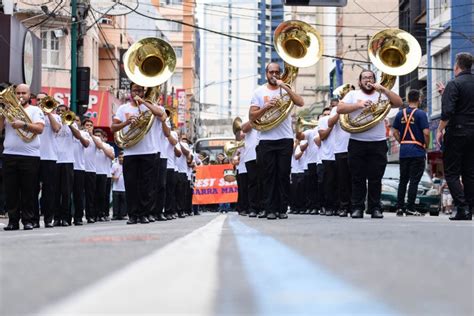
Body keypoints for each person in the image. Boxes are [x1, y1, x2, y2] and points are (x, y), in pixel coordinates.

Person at [337, 69, 403, 219]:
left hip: (378, 142)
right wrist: (358, 105)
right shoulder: (353, 95)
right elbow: (340, 108)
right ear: (359, 82)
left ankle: (375, 208)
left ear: (374, 80)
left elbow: (399, 103)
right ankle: (357, 208)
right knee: (357, 177)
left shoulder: (381, 95)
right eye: (364, 78)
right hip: (357, 142)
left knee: (375, 178)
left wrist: (384, 89)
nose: (368, 80)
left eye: (370, 77)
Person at [249, 62, 304, 220]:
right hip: (266, 139)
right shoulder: (259, 92)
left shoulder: (285, 90)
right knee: (268, 176)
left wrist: (285, 87)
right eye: (271, 72)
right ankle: (270, 209)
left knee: (283, 175)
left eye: (276, 72)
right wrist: (266, 107)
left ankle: (282, 208)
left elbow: (300, 102)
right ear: (266, 74)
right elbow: (252, 117)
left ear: (280, 73)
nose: (274, 75)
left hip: (285, 138)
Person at [111, 82, 163, 224]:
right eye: (134, 91)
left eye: (140, 91)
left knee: (147, 186)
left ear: (144, 92)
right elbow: (113, 128)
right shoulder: (123, 108)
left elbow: (161, 114)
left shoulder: (151, 106)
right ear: (130, 92)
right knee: (131, 185)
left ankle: (144, 214)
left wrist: (145, 104)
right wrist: (126, 123)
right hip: (130, 152)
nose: (137, 93)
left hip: (149, 151)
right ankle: (133, 215)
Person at [1, 84, 45, 230]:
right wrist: (2, 115)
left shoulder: (35, 110)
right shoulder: (9, 110)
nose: (20, 96)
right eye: (18, 93)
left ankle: (28, 220)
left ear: (29, 95)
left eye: (23, 93)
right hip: (9, 154)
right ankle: (13, 221)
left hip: (30, 155)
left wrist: (24, 125)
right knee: (11, 190)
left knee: (29, 190)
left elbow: (39, 129)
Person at [436, 52, 474, 221]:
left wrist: (439, 130)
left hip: (457, 132)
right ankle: (470, 209)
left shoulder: (454, 83)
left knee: (451, 173)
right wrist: (446, 93)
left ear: (457, 66)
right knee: (470, 173)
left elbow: (448, 112)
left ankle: (462, 207)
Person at [392, 89, 430, 216]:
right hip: (417, 151)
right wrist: (425, 145)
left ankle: (399, 207)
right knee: (414, 180)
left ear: (408, 99)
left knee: (403, 180)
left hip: (404, 151)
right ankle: (410, 207)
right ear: (419, 99)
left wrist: (402, 141)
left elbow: (395, 132)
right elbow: (426, 133)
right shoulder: (421, 114)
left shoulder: (399, 114)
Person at [35, 92, 61, 228]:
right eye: (38, 100)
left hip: (50, 157)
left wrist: (48, 113)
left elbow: (56, 128)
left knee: (49, 190)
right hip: (33, 156)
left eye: (43, 100)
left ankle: (48, 219)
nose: (40, 102)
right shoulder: (31, 114)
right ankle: (33, 219)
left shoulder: (55, 116)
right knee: (32, 189)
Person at [111, 151, 127, 220]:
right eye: (120, 157)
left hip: (124, 187)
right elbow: (111, 174)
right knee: (116, 202)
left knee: (123, 202)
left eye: (122, 157)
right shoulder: (115, 165)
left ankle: (123, 215)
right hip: (116, 187)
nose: (121, 159)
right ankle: (115, 215)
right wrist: (114, 178)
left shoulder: (127, 165)